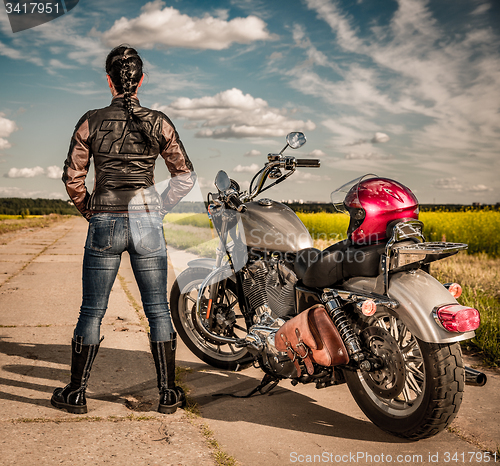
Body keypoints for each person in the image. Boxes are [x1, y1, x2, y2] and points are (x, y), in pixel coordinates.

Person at [51, 45, 195, 415]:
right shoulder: (159, 121)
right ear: (141, 79)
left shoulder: (91, 120)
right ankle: (167, 394)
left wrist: (91, 210)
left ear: (109, 80)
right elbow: (183, 176)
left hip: (105, 219)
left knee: (92, 310)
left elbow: (73, 176)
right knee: (158, 310)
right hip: (146, 219)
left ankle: (77, 393)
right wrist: (157, 208)